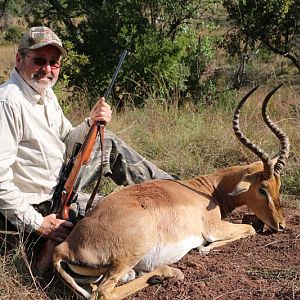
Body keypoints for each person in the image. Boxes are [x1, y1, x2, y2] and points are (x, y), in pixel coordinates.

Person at [0, 26, 173, 255]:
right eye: (40, 60)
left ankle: (174, 190)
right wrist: (37, 223)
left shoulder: (44, 93)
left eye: (55, 63)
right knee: (117, 216)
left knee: (107, 144)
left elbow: (67, 139)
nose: (48, 69)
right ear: (19, 59)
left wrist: (91, 123)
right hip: (35, 210)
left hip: (59, 189)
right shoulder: (8, 102)